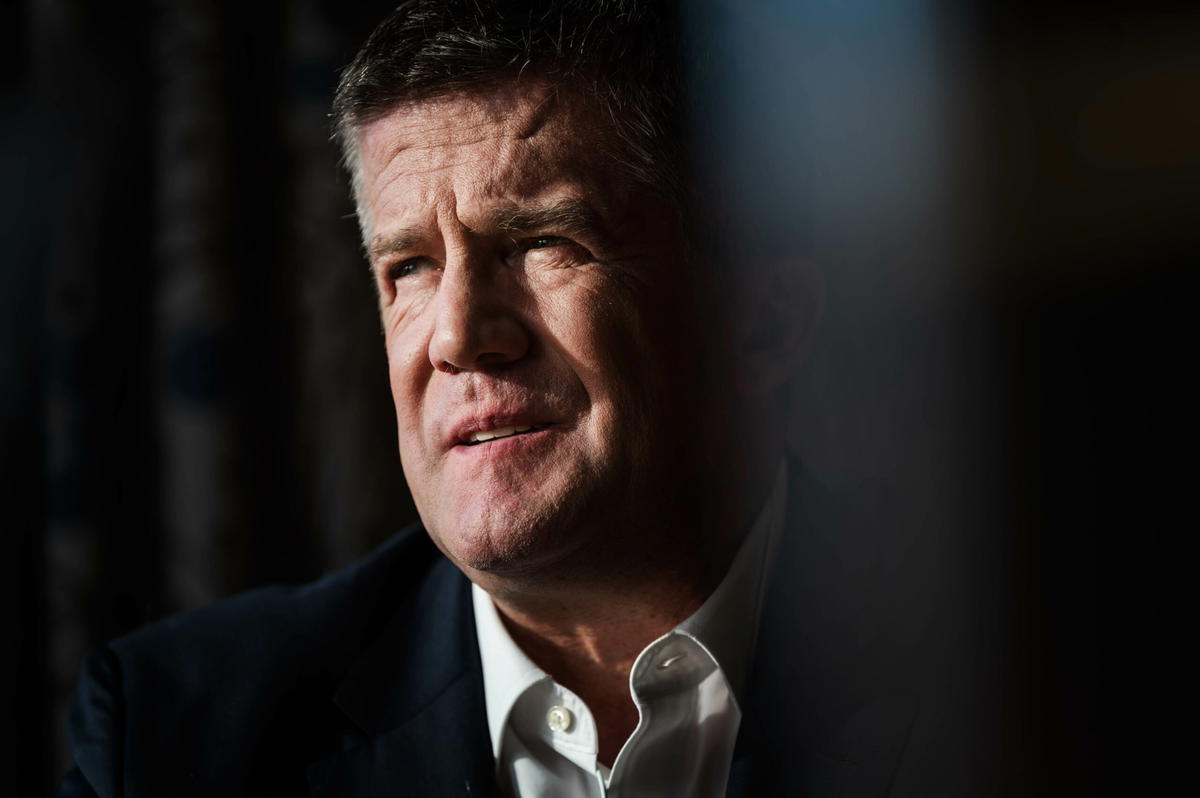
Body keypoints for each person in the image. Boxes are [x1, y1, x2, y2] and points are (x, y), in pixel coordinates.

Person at [59, 2, 931, 796]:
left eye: (541, 242)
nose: (456, 336)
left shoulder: (986, 667)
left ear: (761, 324)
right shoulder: (169, 740)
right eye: (411, 266)